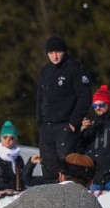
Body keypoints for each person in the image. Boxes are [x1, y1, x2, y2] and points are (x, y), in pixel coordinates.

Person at [36, 36, 92, 183]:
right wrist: (40, 123)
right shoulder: (45, 71)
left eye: (58, 52)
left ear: (64, 52)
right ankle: (51, 197)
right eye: (51, 52)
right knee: (48, 164)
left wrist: (74, 122)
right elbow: (40, 98)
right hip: (47, 127)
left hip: (66, 125)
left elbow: (85, 97)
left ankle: (68, 197)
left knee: (66, 166)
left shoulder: (75, 69)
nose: (54, 56)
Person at [0, 120, 38, 197]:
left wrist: (31, 164)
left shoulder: (18, 158)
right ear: (1, 138)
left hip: (16, 198)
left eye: (11, 138)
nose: (8, 140)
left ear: (15, 140)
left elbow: (24, 179)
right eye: (5, 137)